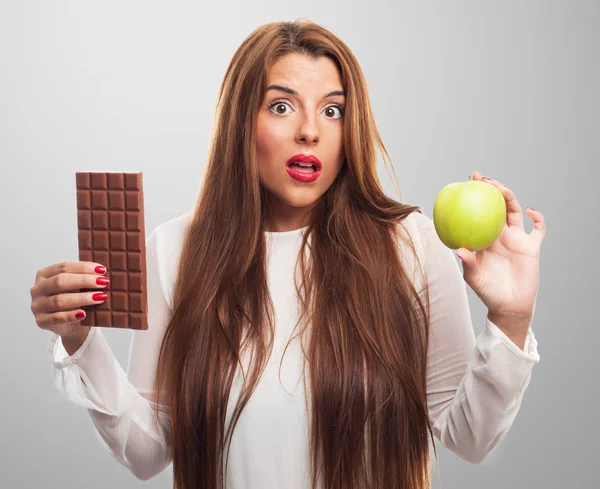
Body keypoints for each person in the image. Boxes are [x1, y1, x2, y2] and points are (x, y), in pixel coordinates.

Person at [30, 19, 546, 489]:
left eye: (332, 110)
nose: (309, 130)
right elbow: (147, 453)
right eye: (281, 106)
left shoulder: (410, 243)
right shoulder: (176, 249)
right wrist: (79, 340)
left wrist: (510, 316)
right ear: (241, 122)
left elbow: (469, 439)